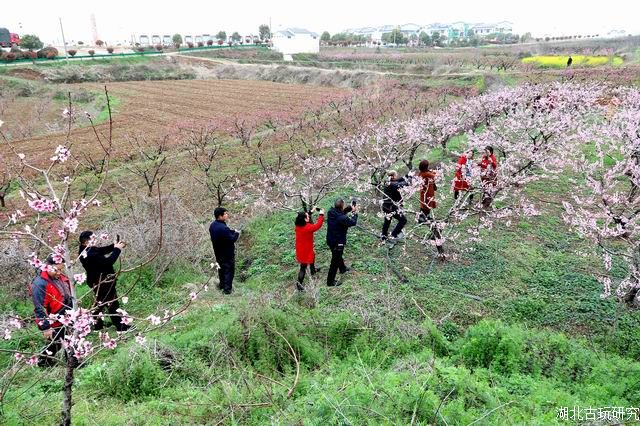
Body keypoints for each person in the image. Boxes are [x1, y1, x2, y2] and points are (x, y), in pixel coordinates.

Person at [78, 231, 129, 332]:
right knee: (112, 302)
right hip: (102, 282)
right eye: (93, 239)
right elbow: (108, 261)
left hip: (97, 281)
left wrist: (113, 246)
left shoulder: (85, 250)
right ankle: (121, 327)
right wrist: (117, 249)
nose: (95, 240)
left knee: (100, 303)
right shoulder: (90, 254)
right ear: (86, 242)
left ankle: (97, 325)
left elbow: (100, 250)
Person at [30, 256, 73, 367]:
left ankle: (73, 362)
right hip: (53, 320)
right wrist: (45, 327)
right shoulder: (39, 284)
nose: (59, 273)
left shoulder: (61, 277)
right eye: (56, 270)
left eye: (61, 269)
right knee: (57, 343)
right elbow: (38, 307)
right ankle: (43, 362)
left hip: (68, 315)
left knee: (71, 339)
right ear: (48, 267)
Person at [417, 160, 445, 260]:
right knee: (427, 207)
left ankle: (423, 217)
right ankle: (423, 219)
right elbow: (435, 176)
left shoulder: (421, 173)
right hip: (428, 193)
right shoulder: (427, 174)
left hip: (424, 193)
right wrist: (437, 171)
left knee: (424, 206)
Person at [326, 199, 358, 287]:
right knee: (335, 261)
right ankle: (330, 281)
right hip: (338, 242)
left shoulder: (331, 211)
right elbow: (353, 222)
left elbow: (340, 213)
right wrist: (355, 213)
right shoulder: (342, 218)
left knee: (337, 255)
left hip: (331, 239)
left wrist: (349, 208)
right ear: (342, 206)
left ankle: (342, 268)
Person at [209, 207, 240, 294]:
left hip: (218, 252)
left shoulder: (213, 225)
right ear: (220, 216)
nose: (227, 215)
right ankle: (227, 290)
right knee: (229, 271)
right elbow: (232, 239)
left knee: (221, 269)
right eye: (225, 214)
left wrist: (233, 231)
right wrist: (237, 233)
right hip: (227, 253)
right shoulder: (223, 228)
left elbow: (225, 234)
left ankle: (222, 285)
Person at [294, 207, 325, 291]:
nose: (309, 217)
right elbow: (318, 225)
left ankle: (313, 270)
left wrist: (311, 211)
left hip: (301, 248)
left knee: (313, 255)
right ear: (305, 219)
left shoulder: (298, 224)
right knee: (303, 267)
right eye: (307, 216)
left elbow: (303, 216)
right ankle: (299, 285)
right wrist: (321, 214)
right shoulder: (308, 227)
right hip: (305, 250)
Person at [381, 170, 409, 241]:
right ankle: (393, 234)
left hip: (385, 206)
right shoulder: (392, 185)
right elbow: (400, 184)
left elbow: (398, 180)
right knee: (403, 220)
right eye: (395, 175)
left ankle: (383, 235)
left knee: (387, 221)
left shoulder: (387, 182)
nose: (396, 177)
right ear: (393, 176)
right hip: (391, 207)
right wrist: (409, 181)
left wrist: (407, 176)